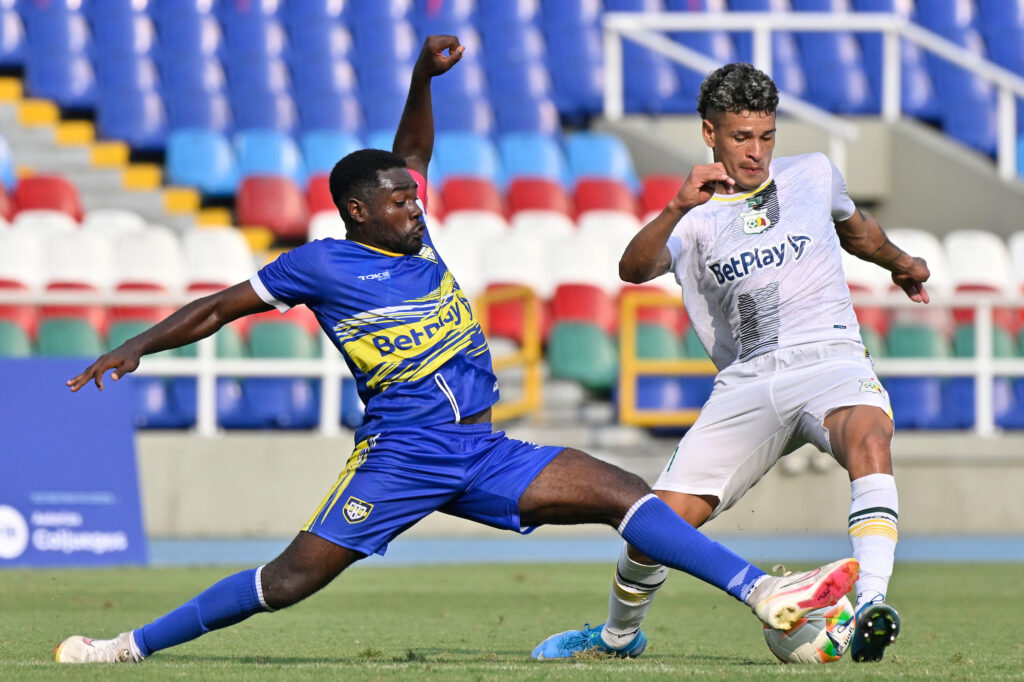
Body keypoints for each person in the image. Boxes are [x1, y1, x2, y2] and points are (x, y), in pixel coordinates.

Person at [54, 39, 858, 665]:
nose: (417, 204)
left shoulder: (414, 233)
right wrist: (135, 345)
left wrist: (421, 80)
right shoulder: (320, 265)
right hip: (402, 455)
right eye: (400, 199)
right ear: (356, 211)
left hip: (481, 445)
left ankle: (762, 591)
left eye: (416, 194)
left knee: (623, 493)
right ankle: (128, 647)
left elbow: (411, 149)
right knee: (289, 581)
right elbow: (218, 308)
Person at [532, 62, 928, 664]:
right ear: (709, 133)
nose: (757, 152)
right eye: (742, 137)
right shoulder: (692, 215)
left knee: (870, 436)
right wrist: (674, 207)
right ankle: (616, 639)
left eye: (766, 136)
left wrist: (901, 263)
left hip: (830, 357)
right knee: (654, 524)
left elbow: (858, 231)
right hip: (747, 381)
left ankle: (870, 602)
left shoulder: (814, 174)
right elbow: (632, 269)